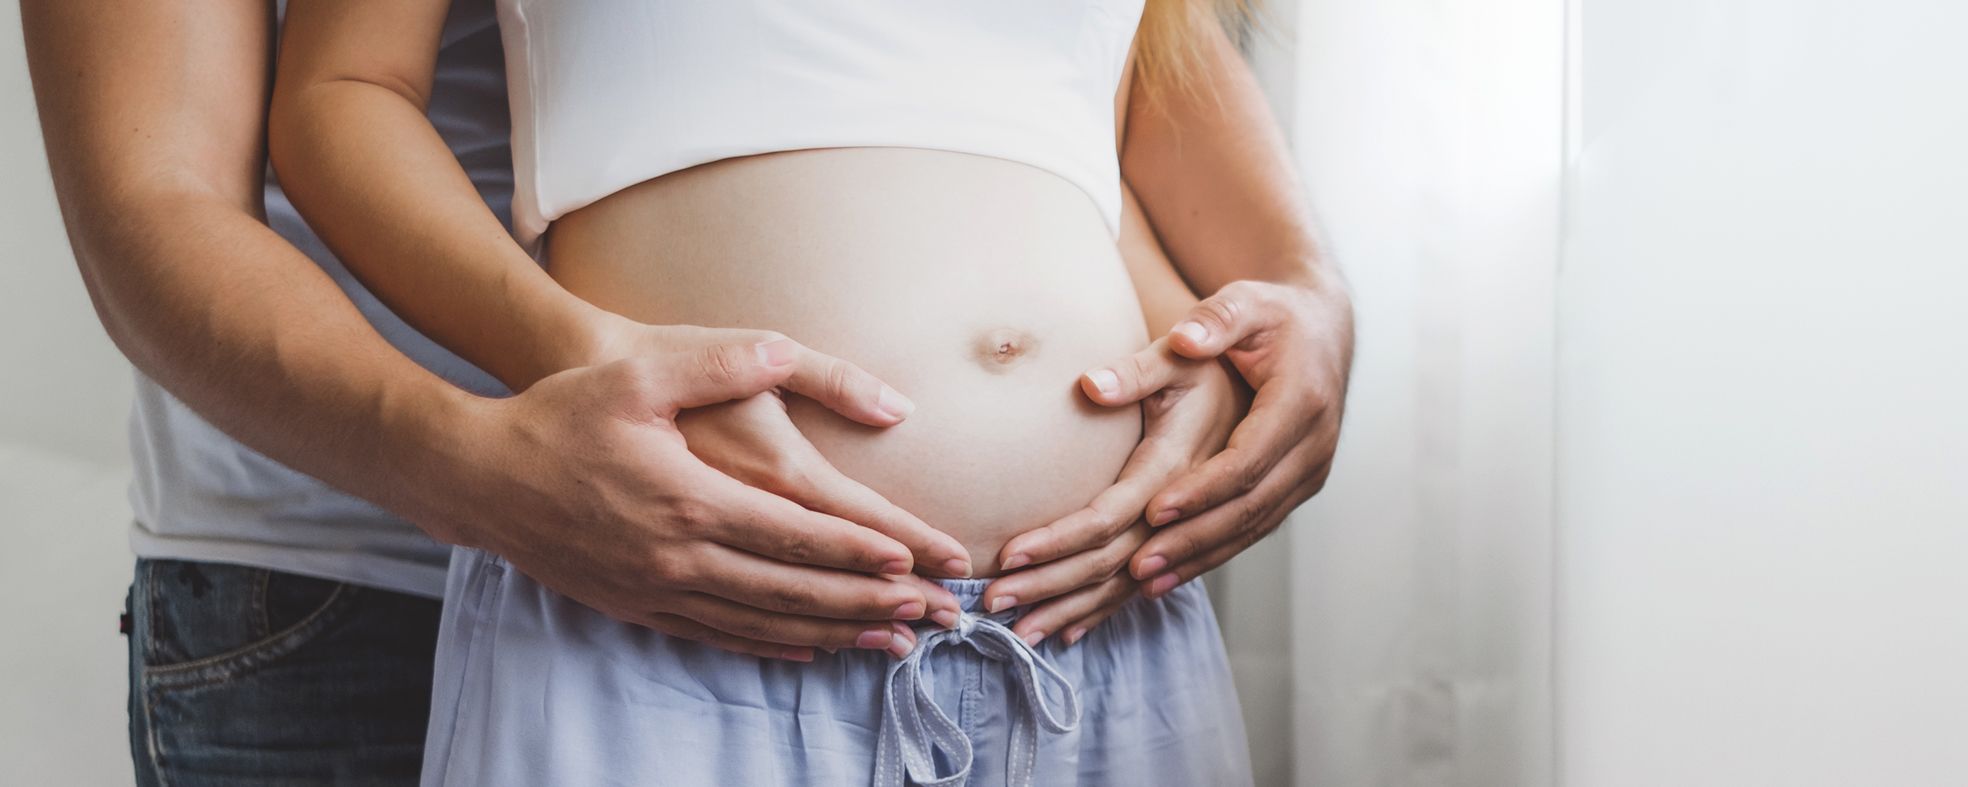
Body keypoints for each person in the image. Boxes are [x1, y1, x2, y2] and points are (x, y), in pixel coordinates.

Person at [21, 0, 1352, 784]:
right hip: (419, 571)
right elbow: (167, 190)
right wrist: (494, 442)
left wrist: (1256, 319)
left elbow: (1077, 102)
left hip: (1085, 625)